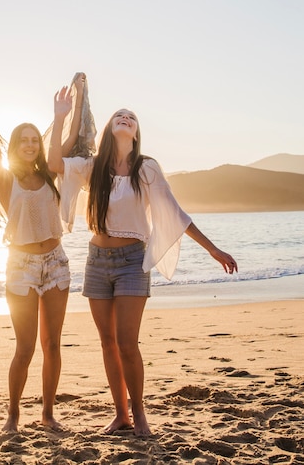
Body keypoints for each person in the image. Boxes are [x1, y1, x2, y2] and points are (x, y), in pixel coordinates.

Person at [48, 84, 238, 437]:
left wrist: (212, 248)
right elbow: (54, 163)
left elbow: (175, 213)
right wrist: (60, 118)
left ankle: (140, 412)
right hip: (97, 260)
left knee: (127, 343)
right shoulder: (93, 167)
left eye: (132, 118)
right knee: (107, 342)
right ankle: (120, 414)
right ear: (109, 129)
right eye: (120, 115)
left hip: (132, 260)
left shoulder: (146, 169)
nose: (126, 118)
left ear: (136, 133)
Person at [0, 94, 84, 433]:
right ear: (16, 146)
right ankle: (13, 414)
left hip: (56, 263)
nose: (30, 145)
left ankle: (48, 414)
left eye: (35, 140)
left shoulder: (53, 174)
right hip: (20, 264)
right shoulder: (6, 180)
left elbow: (68, 141)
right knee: (24, 347)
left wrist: (64, 112)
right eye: (24, 140)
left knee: (52, 343)